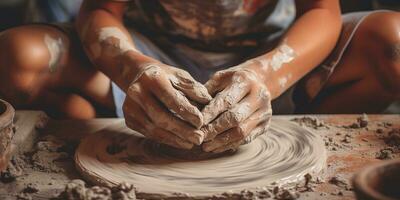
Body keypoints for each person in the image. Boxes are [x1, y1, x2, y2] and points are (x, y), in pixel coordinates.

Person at [0, 0, 399, 153]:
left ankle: (287, 139)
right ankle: (129, 117)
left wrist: (267, 74)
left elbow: (321, 9)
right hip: (151, 51)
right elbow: (102, 9)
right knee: (17, 59)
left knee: (393, 47)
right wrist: (133, 70)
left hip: (269, 53)